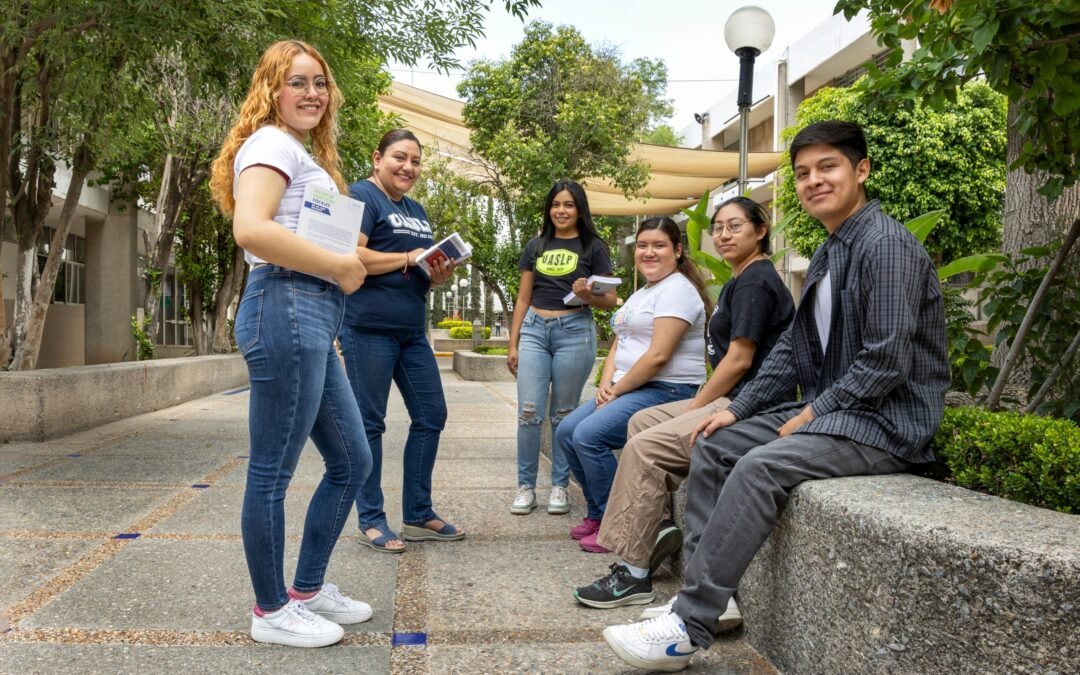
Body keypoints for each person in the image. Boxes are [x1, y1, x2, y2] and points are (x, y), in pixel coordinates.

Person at [601, 120, 950, 672]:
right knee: (712, 443)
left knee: (760, 466)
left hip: (884, 424)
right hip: (839, 412)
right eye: (803, 173)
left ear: (861, 171)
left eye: (827, 167)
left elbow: (886, 359)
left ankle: (687, 631)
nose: (814, 181)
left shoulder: (885, 246)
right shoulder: (834, 249)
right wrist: (737, 408)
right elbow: (790, 347)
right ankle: (711, 599)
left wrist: (813, 412)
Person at [209, 40, 374, 648]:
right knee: (272, 471)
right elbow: (251, 228)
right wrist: (340, 267)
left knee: (353, 460)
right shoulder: (272, 143)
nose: (312, 93)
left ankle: (306, 589)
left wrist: (348, 266)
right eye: (298, 82)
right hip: (284, 303)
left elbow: (304, 234)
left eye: (320, 83)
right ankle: (270, 611)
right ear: (272, 89)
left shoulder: (299, 152)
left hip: (309, 314)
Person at [573, 197, 794, 608]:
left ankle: (634, 575)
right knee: (640, 421)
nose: (725, 235)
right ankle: (651, 529)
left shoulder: (757, 282)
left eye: (736, 227)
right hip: (732, 395)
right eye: (719, 228)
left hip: (750, 404)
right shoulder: (741, 279)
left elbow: (739, 360)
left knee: (644, 447)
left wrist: (697, 406)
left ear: (760, 231)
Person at [338, 129, 460, 554]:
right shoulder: (358, 196)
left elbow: (413, 269)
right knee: (369, 425)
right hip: (366, 329)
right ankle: (370, 519)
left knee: (432, 415)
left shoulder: (417, 209)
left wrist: (434, 271)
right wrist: (409, 258)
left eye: (415, 161)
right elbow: (351, 256)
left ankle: (418, 513)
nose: (408, 167)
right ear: (377, 158)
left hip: (410, 331)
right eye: (399, 158)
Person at [558, 217, 712, 547]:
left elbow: (658, 356)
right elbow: (620, 339)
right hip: (631, 387)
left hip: (667, 390)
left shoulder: (678, 290)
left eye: (659, 245)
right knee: (567, 432)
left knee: (588, 436)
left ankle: (622, 525)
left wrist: (616, 390)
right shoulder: (644, 291)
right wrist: (606, 382)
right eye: (643, 245)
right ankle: (600, 513)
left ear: (678, 250)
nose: (649, 252)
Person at [507, 179, 617, 515]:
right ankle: (525, 486)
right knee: (528, 413)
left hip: (574, 330)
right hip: (536, 331)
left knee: (563, 415)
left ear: (580, 208)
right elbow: (524, 297)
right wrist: (514, 342)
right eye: (556, 204)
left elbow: (609, 300)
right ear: (548, 208)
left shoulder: (594, 246)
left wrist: (589, 296)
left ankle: (559, 487)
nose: (561, 210)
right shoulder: (536, 245)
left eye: (568, 204)